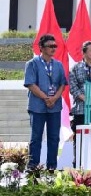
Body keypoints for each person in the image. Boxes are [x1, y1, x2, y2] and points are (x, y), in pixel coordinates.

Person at [24, 33, 68, 170]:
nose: (53, 49)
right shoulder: (32, 64)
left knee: (54, 137)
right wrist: (45, 97)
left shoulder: (58, 64)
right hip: (37, 106)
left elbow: (62, 84)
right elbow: (30, 84)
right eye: (50, 46)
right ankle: (33, 166)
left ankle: (51, 167)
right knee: (36, 137)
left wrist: (54, 98)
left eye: (55, 46)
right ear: (41, 48)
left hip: (54, 106)